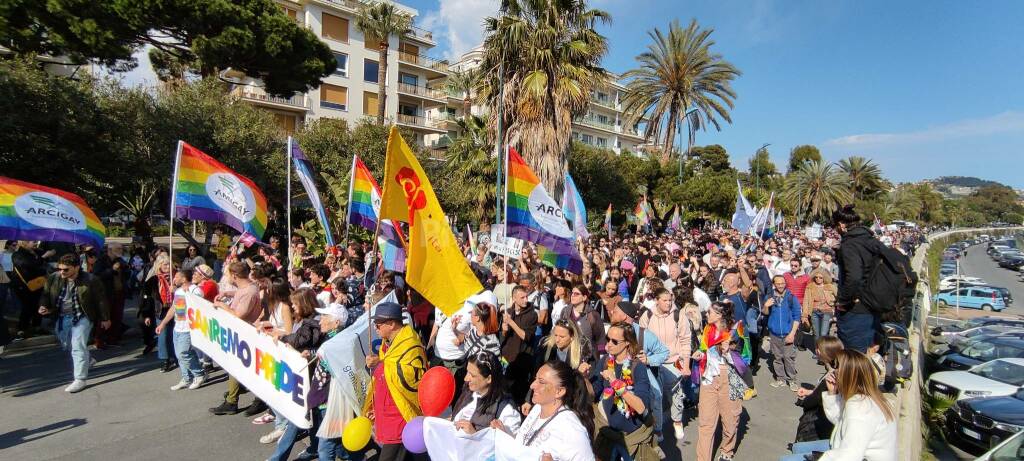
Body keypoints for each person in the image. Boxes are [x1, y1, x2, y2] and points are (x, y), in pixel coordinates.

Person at [779, 349, 896, 461]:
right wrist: (832, 393)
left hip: (853, 455)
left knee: (786, 459)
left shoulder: (860, 409)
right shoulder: (864, 397)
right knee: (797, 448)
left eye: (839, 367)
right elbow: (841, 421)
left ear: (850, 375)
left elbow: (850, 456)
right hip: (843, 446)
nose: (834, 371)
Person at [362, 302, 427, 461]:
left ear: (391, 324)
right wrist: (375, 407)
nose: (375, 328)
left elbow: (412, 379)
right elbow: (384, 379)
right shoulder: (387, 344)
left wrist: (380, 365)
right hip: (386, 412)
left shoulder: (410, 344)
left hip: (400, 416)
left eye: (378, 324)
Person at [38, 253, 111, 393]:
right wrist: (44, 306)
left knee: (77, 345)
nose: (62, 272)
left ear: (77, 267)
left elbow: (101, 300)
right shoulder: (54, 278)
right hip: (61, 316)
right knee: (67, 344)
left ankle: (80, 379)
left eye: (66, 269)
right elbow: (46, 294)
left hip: (82, 315)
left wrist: (105, 318)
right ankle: (87, 360)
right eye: (60, 269)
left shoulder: (91, 280)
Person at [267, 288, 323, 459]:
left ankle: (278, 457)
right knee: (312, 416)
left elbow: (300, 340)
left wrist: (284, 338)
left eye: (295, 303)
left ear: (304, 304)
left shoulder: (313, 323)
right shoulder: (305, 320)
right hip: (304, 376)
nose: (292, 306)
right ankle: (314, 447)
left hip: (309, 377)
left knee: (296, 418)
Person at [504, 360, 595, 461]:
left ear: (559, 391)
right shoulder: (537, 408)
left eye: (541, 382)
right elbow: (524, 445)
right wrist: (504, 433)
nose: (532, 385)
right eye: (535, 379)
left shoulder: (571, 430)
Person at [607, 300, 669, 447]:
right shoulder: (612, 330)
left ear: (624, 317)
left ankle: (656, 430)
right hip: (615, 371)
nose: (611, 313)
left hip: (640, 372)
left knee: (656, 395)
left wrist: (649, 359)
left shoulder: (644, 334)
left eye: (615, 312)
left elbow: (664, 352)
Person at [594, 322, 658, 461]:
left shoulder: (637, 367)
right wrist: (584, 378)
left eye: (614, 341)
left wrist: (616, 384)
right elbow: (594, 392)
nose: (608, 344)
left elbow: (641, 407)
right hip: (607, 433)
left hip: (630, 437)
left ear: (627, 343)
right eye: (607, 339)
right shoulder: (605, 361)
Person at [694, 302, 749, 461]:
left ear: (719, 315)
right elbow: (704, 348)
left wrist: (729, 351)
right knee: (705, 423)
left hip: (730, 376)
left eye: (709, 312)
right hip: (709, 376)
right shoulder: (708, 329)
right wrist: (700, 352)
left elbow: (746, 357)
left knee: (730, 421)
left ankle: (727, 451)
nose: (706, 314)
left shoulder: (736, 330)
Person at [209, 261, 263, 415]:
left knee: (237, 367)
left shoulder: (249, 292)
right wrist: (227, 294)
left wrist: (222, 306)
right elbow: (241, 293)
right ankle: (234, 395)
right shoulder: (247, 287)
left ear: (235, 275)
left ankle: (233, 401)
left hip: (245, 333)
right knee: (237, 367)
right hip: (240, 333)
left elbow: (239, 315)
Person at [638, 287, 691, 442]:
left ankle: (677, 420)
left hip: (674, 362)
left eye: (670, 300)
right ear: (656, 300)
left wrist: (686, 365)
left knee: (676, 395)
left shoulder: (678, 315)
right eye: (665, 300)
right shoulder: (647, 315)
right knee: (656, 396)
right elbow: (641, 340)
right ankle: (658, 428)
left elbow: (686, 341)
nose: (668, 303)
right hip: (652, 363)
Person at [832, 205, 885, 353]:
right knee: (868, 356)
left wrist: (843, 300)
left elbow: (854, 278)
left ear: (842, 225)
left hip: (856, 312)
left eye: (835, 226)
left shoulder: (850, 245)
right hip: (873, 307)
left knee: (854, 358)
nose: (836, 230)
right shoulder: (871, 241)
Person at [155, 268, 206, 391]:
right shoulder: (178, 291)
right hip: (178, 327)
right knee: (180, 355)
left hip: (189, 328)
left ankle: (199, 374)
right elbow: (174, 308)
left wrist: (187, 293)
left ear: (184, 279)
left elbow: (199, 306)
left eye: (177, 277)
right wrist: (162, 324)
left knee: (183, 353)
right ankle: (186, 378)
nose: (174, 279)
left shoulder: (195, 290)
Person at [452, 351, 522, 435]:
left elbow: (508, 445)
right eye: (467, 372)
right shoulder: (469, 391)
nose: (466, 379)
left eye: (472, 375)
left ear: (489, 379)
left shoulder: (507, 410)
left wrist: (475, 435)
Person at [793, 336, 844, 443]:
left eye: (818, 348)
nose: (816, 350)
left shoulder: (832, 376)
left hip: (819, 425)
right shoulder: (834, 369)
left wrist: (803, 401)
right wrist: (809, 392)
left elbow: (815, 399)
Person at [501, 286, 540, 404]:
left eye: (526, 297)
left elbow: (525, 336)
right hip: (507, 358)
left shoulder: (532, 315)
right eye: (522, 297)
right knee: (503, 389)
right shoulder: (508, 312)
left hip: (522, 359)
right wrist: (504, 329)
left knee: (518, 394)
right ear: (514, 298)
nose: (525, 300)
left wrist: (511, 323)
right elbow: (503, 336)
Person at [763, 275, 802, 391]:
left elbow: (797, 316)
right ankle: (781, 379)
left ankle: (792, 380)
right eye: (778, 283)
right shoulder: (770, 297)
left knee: (788, 358)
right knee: (777, 357)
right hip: (774, 334)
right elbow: (765, 314)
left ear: (785, 284)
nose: (780, 285)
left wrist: (792, 334)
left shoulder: (791, 297)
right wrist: (766, 306)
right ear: (774, 284)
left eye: (782, 283)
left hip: (787, 333)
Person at [12, 240, 48, 339]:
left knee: (38, 304)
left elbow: (39, 265)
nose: (36, 243)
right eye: (33, 241)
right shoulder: (17, 254)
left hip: (38, 284)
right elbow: (27, 264)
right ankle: (22, 329)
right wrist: (42, 258)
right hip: (23, 286)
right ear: (25, 243)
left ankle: (37, 326)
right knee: (27, 306)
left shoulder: (36, 252)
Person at [560, 283, 606, 356]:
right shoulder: (565, 311)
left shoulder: (592, 315)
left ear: (584, 297)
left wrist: (602, 354)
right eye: (572, 293)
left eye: (576, 294)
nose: (572, 295)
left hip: (587, 356)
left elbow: (600, 337)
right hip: (567, 354)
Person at [802, 270, 837, 342]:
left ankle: (823, 351)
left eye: (820, 277)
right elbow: (806, 301)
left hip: (827, 311)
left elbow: (839, 298)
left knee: (823, 333)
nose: (818, 279)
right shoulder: (810, 287)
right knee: (816, 334)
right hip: (814, 311)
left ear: (824, 278)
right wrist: (804, 315)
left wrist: (833, 304)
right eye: (816, 277)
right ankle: (817, 351)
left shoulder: (830, 287)